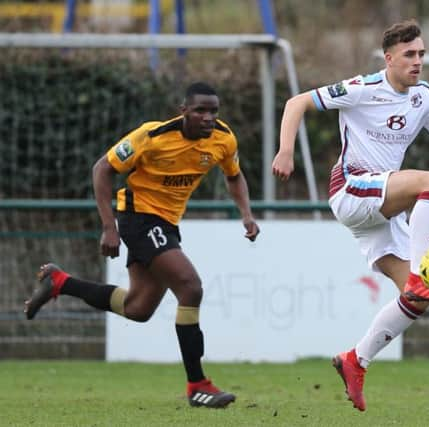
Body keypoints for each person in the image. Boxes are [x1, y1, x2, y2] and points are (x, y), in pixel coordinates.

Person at [272, 20, 429, 412]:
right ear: (389, 58)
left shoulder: (424, 98)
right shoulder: (363, 88)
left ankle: (356, 360)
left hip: (380, 205)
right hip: (352, 189)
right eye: (410, 55)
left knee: (415, 300)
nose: (418, 62)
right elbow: (295, 102)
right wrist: (285, 151)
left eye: (421, 54)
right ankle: (423, 271)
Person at [25, 81, 260, 409]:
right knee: (190, 287)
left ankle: (61, 283)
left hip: (167, 223)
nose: (208, 117)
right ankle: (198, 385)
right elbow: (102, 168)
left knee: (138, 308)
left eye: (213, 111)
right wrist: (110, 227)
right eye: (200, 110)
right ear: (183, 111)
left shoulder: (224, 138)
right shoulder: (152, 136)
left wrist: (246, 215)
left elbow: (234, 176)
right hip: (139, 218)